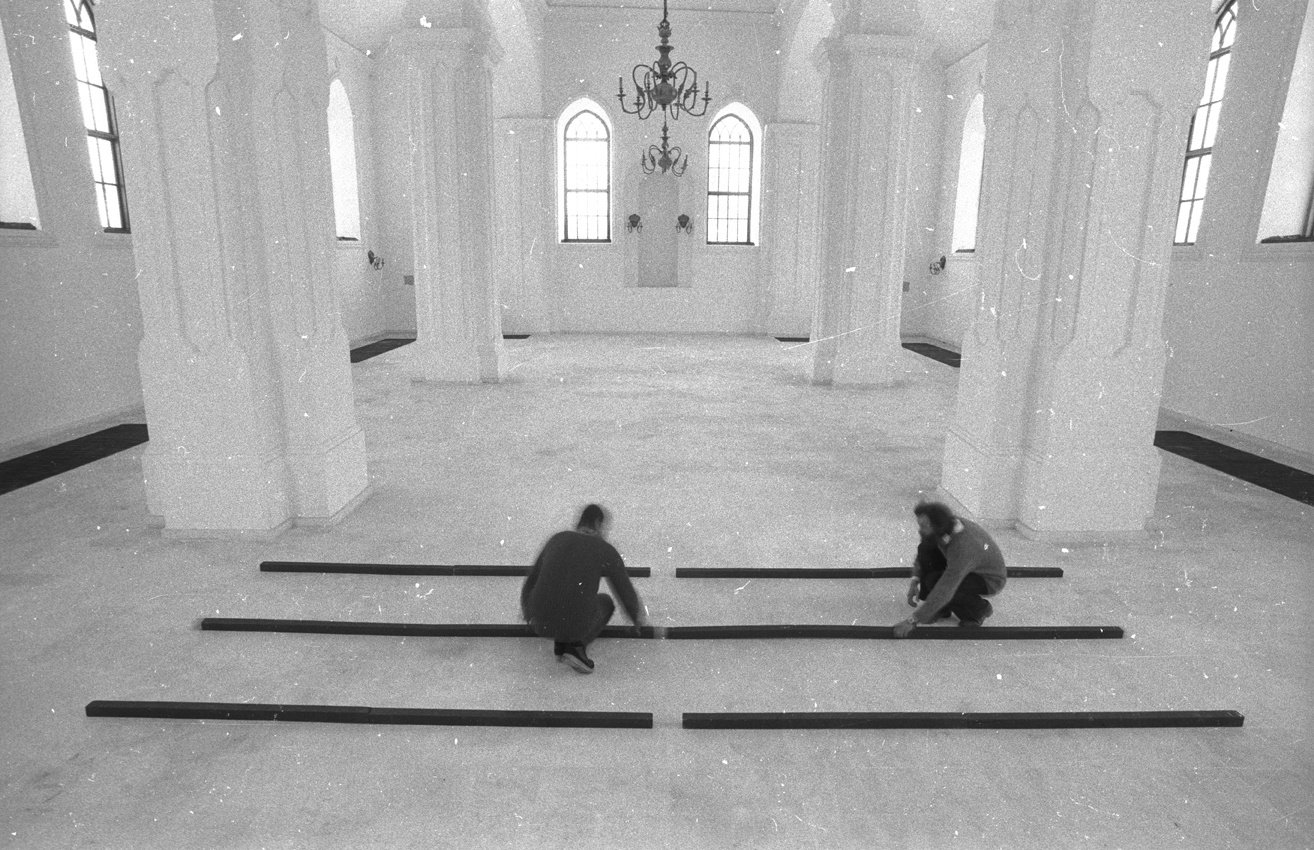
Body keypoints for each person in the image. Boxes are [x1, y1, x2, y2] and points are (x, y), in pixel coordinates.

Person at [520, 504, 648, 673]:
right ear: (597, 523)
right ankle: (575, 647)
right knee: (605, 602)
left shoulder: (557, 539)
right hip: (573, 625)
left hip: (538, 621)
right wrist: (637, 619)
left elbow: (532, 579)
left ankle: (561, 642)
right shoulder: (605, 549)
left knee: (565, 594)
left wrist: (528, 612)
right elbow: (623, 588)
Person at [893, 501, 1006, 637]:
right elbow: (924, 551)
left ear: (937, 526)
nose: (920, 530)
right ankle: (941, 608)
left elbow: (947, 587)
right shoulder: (944, 528)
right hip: (965, 565)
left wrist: (913, 620)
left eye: (924, 526)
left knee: (936, 582)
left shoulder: (964, 547)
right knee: (926, 549)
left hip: (988, 579)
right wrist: (915, 580)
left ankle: (979, 610)